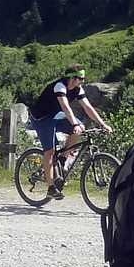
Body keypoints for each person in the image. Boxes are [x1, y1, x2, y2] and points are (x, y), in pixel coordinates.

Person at [25, 65, 111, 198]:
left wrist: (103, 124)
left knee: (80, 129)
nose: (82, 81)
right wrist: (74, 123)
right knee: (50, 152)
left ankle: (62, 159)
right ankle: (51, 188)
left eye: (83, 78)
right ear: (72, 78)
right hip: (42, 118)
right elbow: (65, 107)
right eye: (80, 78)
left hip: (56, 115)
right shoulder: (59, 86)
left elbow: (88, 107)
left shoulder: (78, 89)